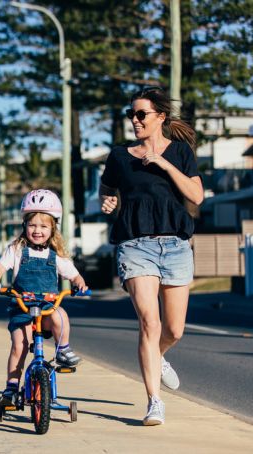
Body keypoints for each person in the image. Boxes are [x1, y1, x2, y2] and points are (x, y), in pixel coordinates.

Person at [99, 86, 204, 426]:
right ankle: (154, 401)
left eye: (141, 114)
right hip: (135, 245)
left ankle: (158, 358)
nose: (134, 120)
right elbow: (106, 189)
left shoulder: (180, 153)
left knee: (173, 330)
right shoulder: (120, 156)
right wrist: (109, 202)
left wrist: (164, 165)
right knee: (150, 323)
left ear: (160, 116)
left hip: (175, 247)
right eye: (131, 114)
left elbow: (196, 196)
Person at [0, 189, 88, 406]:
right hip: (23, 309)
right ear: (24, 225)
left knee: (61, 315)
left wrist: (79, 283)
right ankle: (11, 388)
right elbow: (0, 266)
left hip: (47, 309)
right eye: (32, 225)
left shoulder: (56, 256)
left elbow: (73, 274)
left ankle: (63, 350)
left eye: (43, 226)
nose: (37, 230)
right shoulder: (16, 250)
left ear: (53, 228)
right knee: (20, 345)